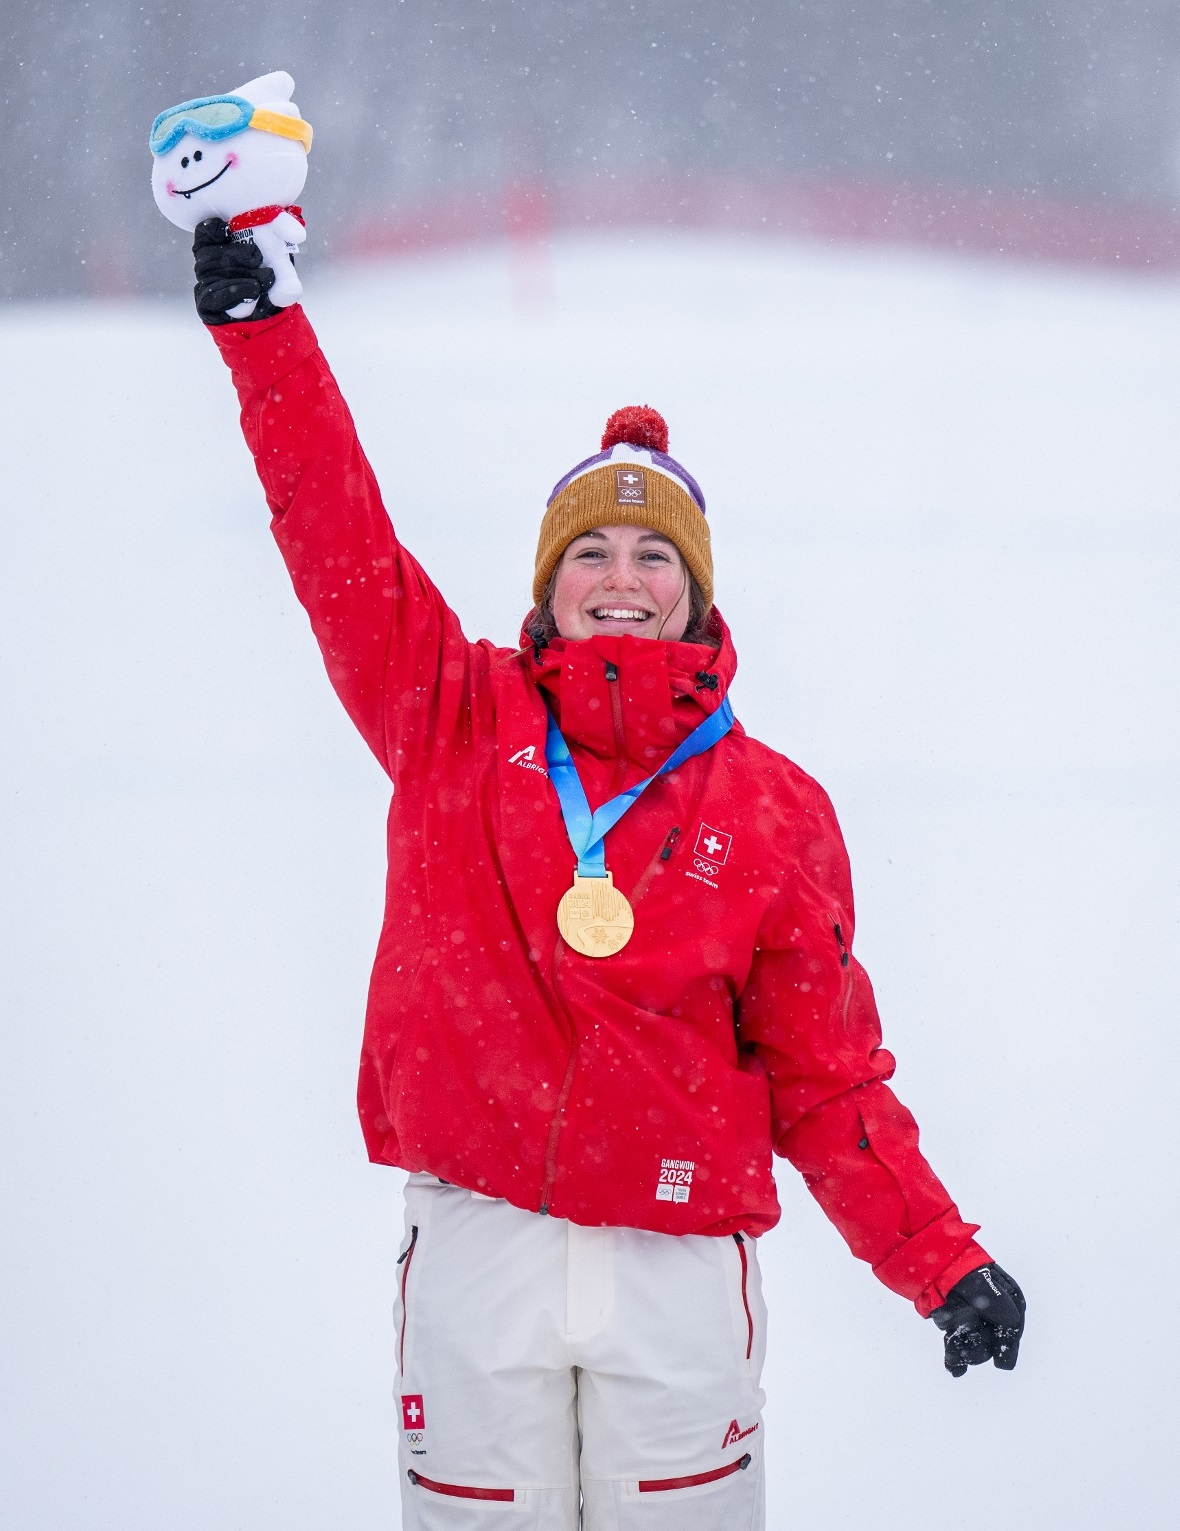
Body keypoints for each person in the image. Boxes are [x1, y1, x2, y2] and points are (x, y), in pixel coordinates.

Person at [192, 218, 1025, 1529]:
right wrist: (265, 337)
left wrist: (938, 1259)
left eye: (653, 556)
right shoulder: (452, 716)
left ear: (696, 591)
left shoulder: (770, 807)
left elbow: (826, 1078)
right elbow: (334, 532)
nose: (620, 578)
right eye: (590, 552)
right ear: (549, 584)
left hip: (675, 1273)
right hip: (480, 1249)